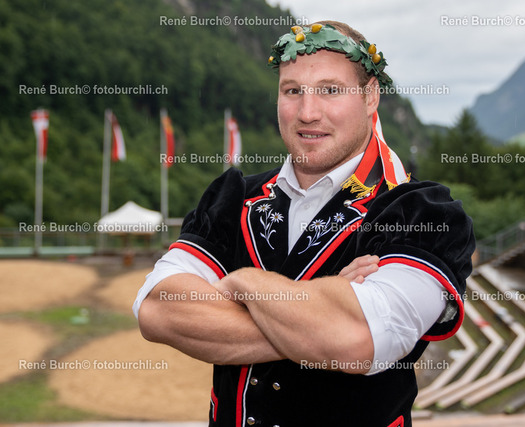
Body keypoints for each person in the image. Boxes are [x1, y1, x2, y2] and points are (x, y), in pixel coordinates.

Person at [134, 20, 475, 427]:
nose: (308, 113)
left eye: (330, 90)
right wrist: (317, 321)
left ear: (370, 96)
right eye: (292, 91)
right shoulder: (233, 198)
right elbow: (157, 311)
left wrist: (241, 284)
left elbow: (357, 341)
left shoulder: (421, 215)